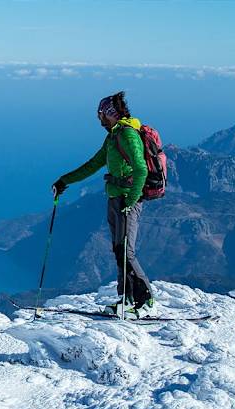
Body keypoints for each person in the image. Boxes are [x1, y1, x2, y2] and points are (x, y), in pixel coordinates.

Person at [52, 91, 155, 317]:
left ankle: (145, 300)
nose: (99, 120)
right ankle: (126, 299)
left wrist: (131, 199)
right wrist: (64, 181)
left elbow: (141, 169)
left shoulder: (127, 135)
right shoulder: (113, 137)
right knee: (119, 250)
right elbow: (93, 164)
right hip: (116, 198)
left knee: (127, 251)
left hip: (127, 199)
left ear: (109, 113)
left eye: (100, 115)